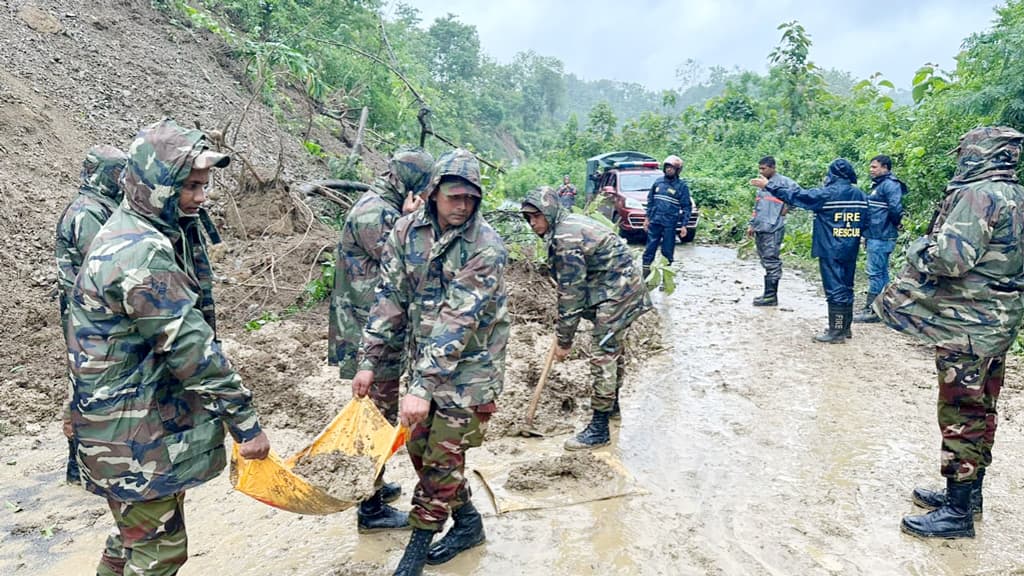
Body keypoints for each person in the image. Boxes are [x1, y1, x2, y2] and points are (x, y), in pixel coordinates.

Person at [65, 119, 271, 576]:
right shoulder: (140, 252)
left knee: (132, 538)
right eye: (191, 186)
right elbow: (190, 348)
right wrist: (246, 422)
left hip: (116, 425)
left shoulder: (131, 229)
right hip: (131, 433)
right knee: (159, 554)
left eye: (205, 185)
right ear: (158, 184)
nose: (202, 197)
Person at [352, 149, 509, 576]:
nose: (462, 206)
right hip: (426, 361)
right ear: (433, 192)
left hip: (472, 368)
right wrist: (369, 358)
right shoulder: (406, 231)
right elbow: (390, 297)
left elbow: (458, 322)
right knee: (421, 450)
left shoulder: (486, 246)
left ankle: (416, 553)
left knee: (442, 457)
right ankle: (469, 524)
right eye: (454, 197)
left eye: (470, 199)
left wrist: (420, 387)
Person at [877, 126, 1024, 539]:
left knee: (961, 412)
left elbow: (951, 258)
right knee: (982, 408)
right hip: (999, 321)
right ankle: (967, 495)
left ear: (980, 153)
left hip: (968, 325)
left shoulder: (980, 194)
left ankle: (957, 514)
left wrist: (919, 248)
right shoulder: (1016, 194)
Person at [329, 145, 434, 532]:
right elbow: (403, 259)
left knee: (380, 412)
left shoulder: (382, 206)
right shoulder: (376, 213)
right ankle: (369, 507)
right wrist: (410, 220)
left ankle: (375, 481)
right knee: (376, 417)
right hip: (368, 331)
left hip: (374, 326)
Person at [520, 187, 651, 450]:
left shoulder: (566, 238)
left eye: (536, 216)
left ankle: (600, 428)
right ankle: (611, 406)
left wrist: (564, 340)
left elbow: (571, 294)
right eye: (528, 218)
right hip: (615, 286)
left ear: (549, 212)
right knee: (611, 349)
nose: (533, 223)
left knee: (603, 353)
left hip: (618, 292)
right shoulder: (564, 226)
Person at [55, 145, 128, 484]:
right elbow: (103, 265)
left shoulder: (102, 207)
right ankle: (79, 465)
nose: (122, 181)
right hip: (86, 317)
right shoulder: (86, 212)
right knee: (87, 386)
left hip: (97, 313)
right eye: (116, 175)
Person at [751, 159, 867, 342]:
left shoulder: (826, 194)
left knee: (834, 289)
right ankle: (845, 328)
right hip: (850, 247)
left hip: (830, 248)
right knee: (847, 286)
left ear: (832, 174)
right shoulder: (860, 194)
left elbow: (799, 196)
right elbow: (867, 219)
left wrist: (770, 186)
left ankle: (835, 332)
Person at [853, 154, 906, 322]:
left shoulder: (890, 185)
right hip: (876, 234)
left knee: (876, 273)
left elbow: (895, 209)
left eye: (874, 167)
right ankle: (883, 308)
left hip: (881, 236)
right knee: (881, 273)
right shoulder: (880, 185)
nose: (871, 170)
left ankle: (873, 311)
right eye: (871, 167)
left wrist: (895, 223)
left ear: (885, 168)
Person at [746, 156, 796, 306]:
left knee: (772, 260)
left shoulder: (784, 183)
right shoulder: (762, 184)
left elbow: (799, 196)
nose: (761, 171)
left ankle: (770, 297)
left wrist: (788, 208)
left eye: (764, 168)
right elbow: (758, 206)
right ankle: (768, 294)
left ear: (773, 168)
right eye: (759, 168)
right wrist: (752, 224)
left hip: (773, 228)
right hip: (761, 226)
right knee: (765, 260)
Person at [642, 155, 691, 281]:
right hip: (655, 221)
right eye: (667, 167)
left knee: (667, 251)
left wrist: (684, 225)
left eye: (672, 168)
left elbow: (686, 207)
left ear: (678, 170)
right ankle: (645, 277)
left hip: (670, 224)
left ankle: (666, 280)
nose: (669, 170)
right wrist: (647, 219)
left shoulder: (682, 186)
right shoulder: (658, 182)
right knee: (649, 249)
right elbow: (650, 201)